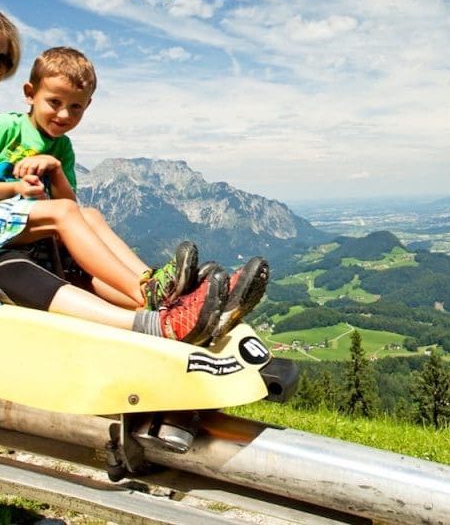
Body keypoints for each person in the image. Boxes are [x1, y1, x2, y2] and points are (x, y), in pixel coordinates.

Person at [0, 24, 268, 345]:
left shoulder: (61, 147)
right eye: (54, 102)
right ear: (30, 94)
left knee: (91, 215)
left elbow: (69, 201)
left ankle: (161, 294)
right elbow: (61, 210)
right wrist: (16, 188)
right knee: (65, 214)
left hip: (23, 226)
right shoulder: (8, 128)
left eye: (75, 107)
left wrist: (55, 172)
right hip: (11, 223)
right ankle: (149, 294)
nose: (64, 114)